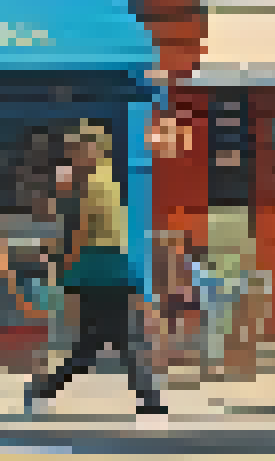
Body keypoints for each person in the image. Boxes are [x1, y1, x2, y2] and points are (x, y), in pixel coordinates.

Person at [25, 124, 170, 417]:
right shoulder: (101, 180)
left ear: (96, 149)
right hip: (102, 270)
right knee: (113, 341)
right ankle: (148, 399)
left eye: (80, 148)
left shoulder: (94, 182)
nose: (75, 154)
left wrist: (66, 262)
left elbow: (81, 229)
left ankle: (46, 388)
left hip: (102, 269)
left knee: (98, 343)